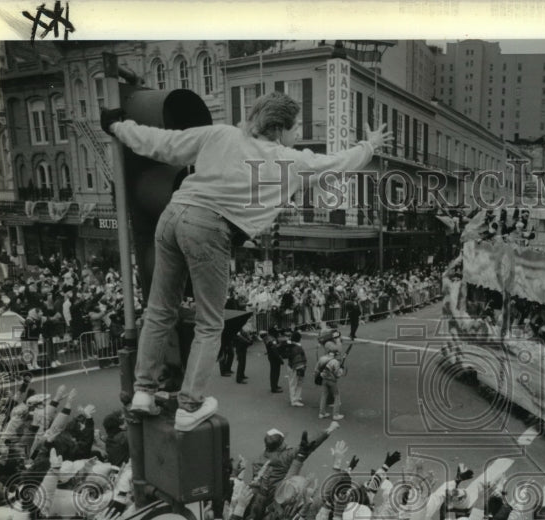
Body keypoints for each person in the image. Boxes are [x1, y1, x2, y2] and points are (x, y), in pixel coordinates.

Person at [103, 91, 391, 431]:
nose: (297, 135)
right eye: (296, 127)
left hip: (173, 214)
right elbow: (337, 163)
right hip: (209, 228)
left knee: (159, 309)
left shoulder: (222, 134)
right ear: (280, 128)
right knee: (210, 324)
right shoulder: (288, 160)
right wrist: (369, 145)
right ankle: (190, 405)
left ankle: (143, 393)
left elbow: (162, 143)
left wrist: (119, 126)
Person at [317, 346, 346, 421]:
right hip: (331, 381)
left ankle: (321, 413)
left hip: (324, 379)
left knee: (324, 395)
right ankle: (336, 414)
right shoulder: (335, 362)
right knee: (337, 396)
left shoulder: (323, 359)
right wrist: (341, 370)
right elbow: (337, 374)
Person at [282, 331, 307, 407]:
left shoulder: (291, 345)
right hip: (297, 367)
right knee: (295, 383)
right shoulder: (297, 347)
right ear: (299, 339)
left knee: (296, 382)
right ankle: (294, 400)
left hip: (292, 366)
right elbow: (298, 358)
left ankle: (296, 397)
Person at [233, 319, 256, 384]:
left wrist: (250, 339)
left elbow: (245, 334)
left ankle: (242, 375)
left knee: (243, 362)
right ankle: (239, 379)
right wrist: (248, 342)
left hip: (243, 347)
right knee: (241, 363)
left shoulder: (240, 329)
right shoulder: (236, 330)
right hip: (240, 348)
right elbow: (241, 338)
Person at [263, 328, 284, 393]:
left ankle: (275, 385)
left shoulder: (267, 338)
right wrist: (279, 358)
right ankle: (274, 388)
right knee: (275, 372)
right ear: (273, 333)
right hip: (274, 357)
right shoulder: (272, 339)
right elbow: (274, 349)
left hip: (271, 357)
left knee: (274, 372)